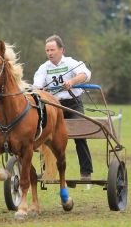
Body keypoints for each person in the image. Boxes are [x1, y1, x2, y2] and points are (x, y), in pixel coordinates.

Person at [33, 34, 93, 180]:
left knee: (80, 136)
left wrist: (72, 81)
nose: (49, 53)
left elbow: (85, 74)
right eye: (47, 50)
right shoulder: (43, 68)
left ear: (61, 50)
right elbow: (37, 85)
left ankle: (86, 172)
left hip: (73, 104)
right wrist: (39, 90)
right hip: (53, 106)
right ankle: (47, 171)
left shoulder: (71, 63)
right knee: (44, 136)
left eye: (52, 50)